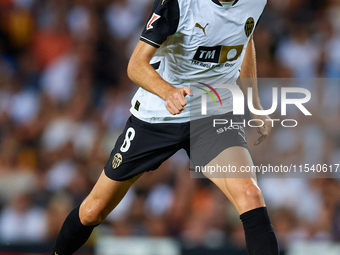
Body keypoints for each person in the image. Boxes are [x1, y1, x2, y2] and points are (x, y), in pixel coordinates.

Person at [51, 0, 279, 254]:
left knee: (250, 194)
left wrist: (255, 104)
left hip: (211, 115)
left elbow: (244, 38)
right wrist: (168, 92)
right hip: (157, 116)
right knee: (93, 210)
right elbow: (136, 64)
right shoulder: (179, 4)